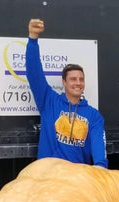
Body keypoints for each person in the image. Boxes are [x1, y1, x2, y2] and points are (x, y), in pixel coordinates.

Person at [26, 18, 108, 168]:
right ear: (64, 82)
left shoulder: (93, 116)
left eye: (81, 79)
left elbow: (98, 146)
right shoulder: (49, 101)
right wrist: (32, 39)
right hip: (47, 174)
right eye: (73, 79)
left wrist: (100, 167)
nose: (78, 83)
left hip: (75, 179)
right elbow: (34, 73)